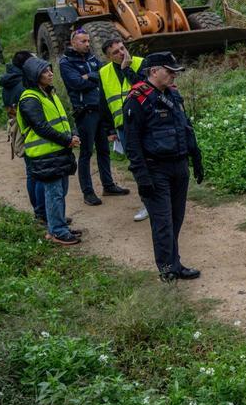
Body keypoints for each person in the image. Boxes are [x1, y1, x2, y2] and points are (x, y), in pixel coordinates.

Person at [122, 51, 204, 282]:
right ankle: (167, 268)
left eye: (175, 72)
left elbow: (185, 127)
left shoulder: (173, 95)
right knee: (163, 223)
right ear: (154, 71)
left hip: (179, 166)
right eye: (169, 72)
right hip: (155, 169)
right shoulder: (137, 99)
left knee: (176, 219)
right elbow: (132, 143)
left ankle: (175, 263)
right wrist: (142, 177)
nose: (173, 76)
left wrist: (195, 156)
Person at [59, 28, 129, 206]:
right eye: (83, 41)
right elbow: (76, 83)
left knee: (104, 150)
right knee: (86, 152)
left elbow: (104, 75)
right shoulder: (66, 62)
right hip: (84, 112)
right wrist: (91, 78)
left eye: (89, 41)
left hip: (100, 110)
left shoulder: (91, 58)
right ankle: (88, 192)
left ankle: (108, 185)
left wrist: (88, 75)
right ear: (73, 42)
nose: (88, 44)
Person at [16, 56, 80, 245]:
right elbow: (41, 126)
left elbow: (65, 118)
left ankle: (57, 225)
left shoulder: (49, 93)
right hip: (46, 154)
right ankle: (57, 231)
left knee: (60, 191)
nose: (50, 73)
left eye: (50, 69)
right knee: (54, 193)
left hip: (58, 151)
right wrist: (68, 140)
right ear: (34, 76)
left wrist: (73, 133)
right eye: (45, 71)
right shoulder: (29, 98)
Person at [99, 37, 148, 221]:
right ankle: (146, 203)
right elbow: (103, 102)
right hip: (122, 127)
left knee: (152, 162)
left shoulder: (141, 63)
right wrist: (109, 130)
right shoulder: (104, 72)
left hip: (145, 123)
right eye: (115, 52)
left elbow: (146, 89)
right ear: (108, 57)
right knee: (136, 166)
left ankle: (159, 198)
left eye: (122, 49)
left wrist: (127, 68)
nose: (121, 53)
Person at [1, 50, 46, 223]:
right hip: (27, 130)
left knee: (31, 172)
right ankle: (42, 213)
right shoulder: (23, 85)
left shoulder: (10, 81)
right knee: (38, 172)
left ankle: (39, 212)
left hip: (16, 127)